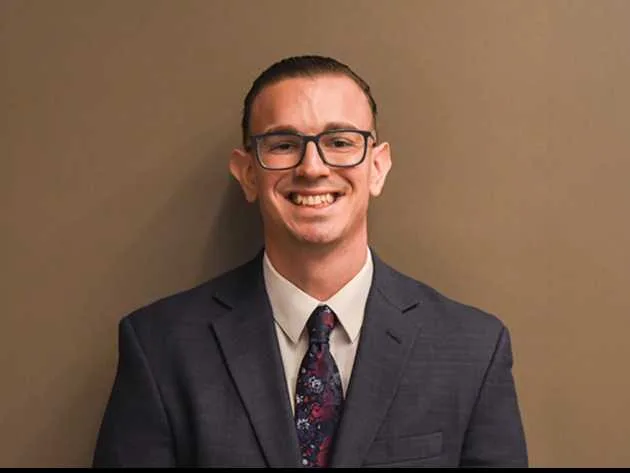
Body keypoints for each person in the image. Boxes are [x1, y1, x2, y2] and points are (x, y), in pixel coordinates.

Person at [92, 55, 528, 468]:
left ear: (377, 167)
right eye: (284, 145)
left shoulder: (473, 350)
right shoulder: (161, 347)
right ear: (248, 173)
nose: (312, 167)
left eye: (340, 142)